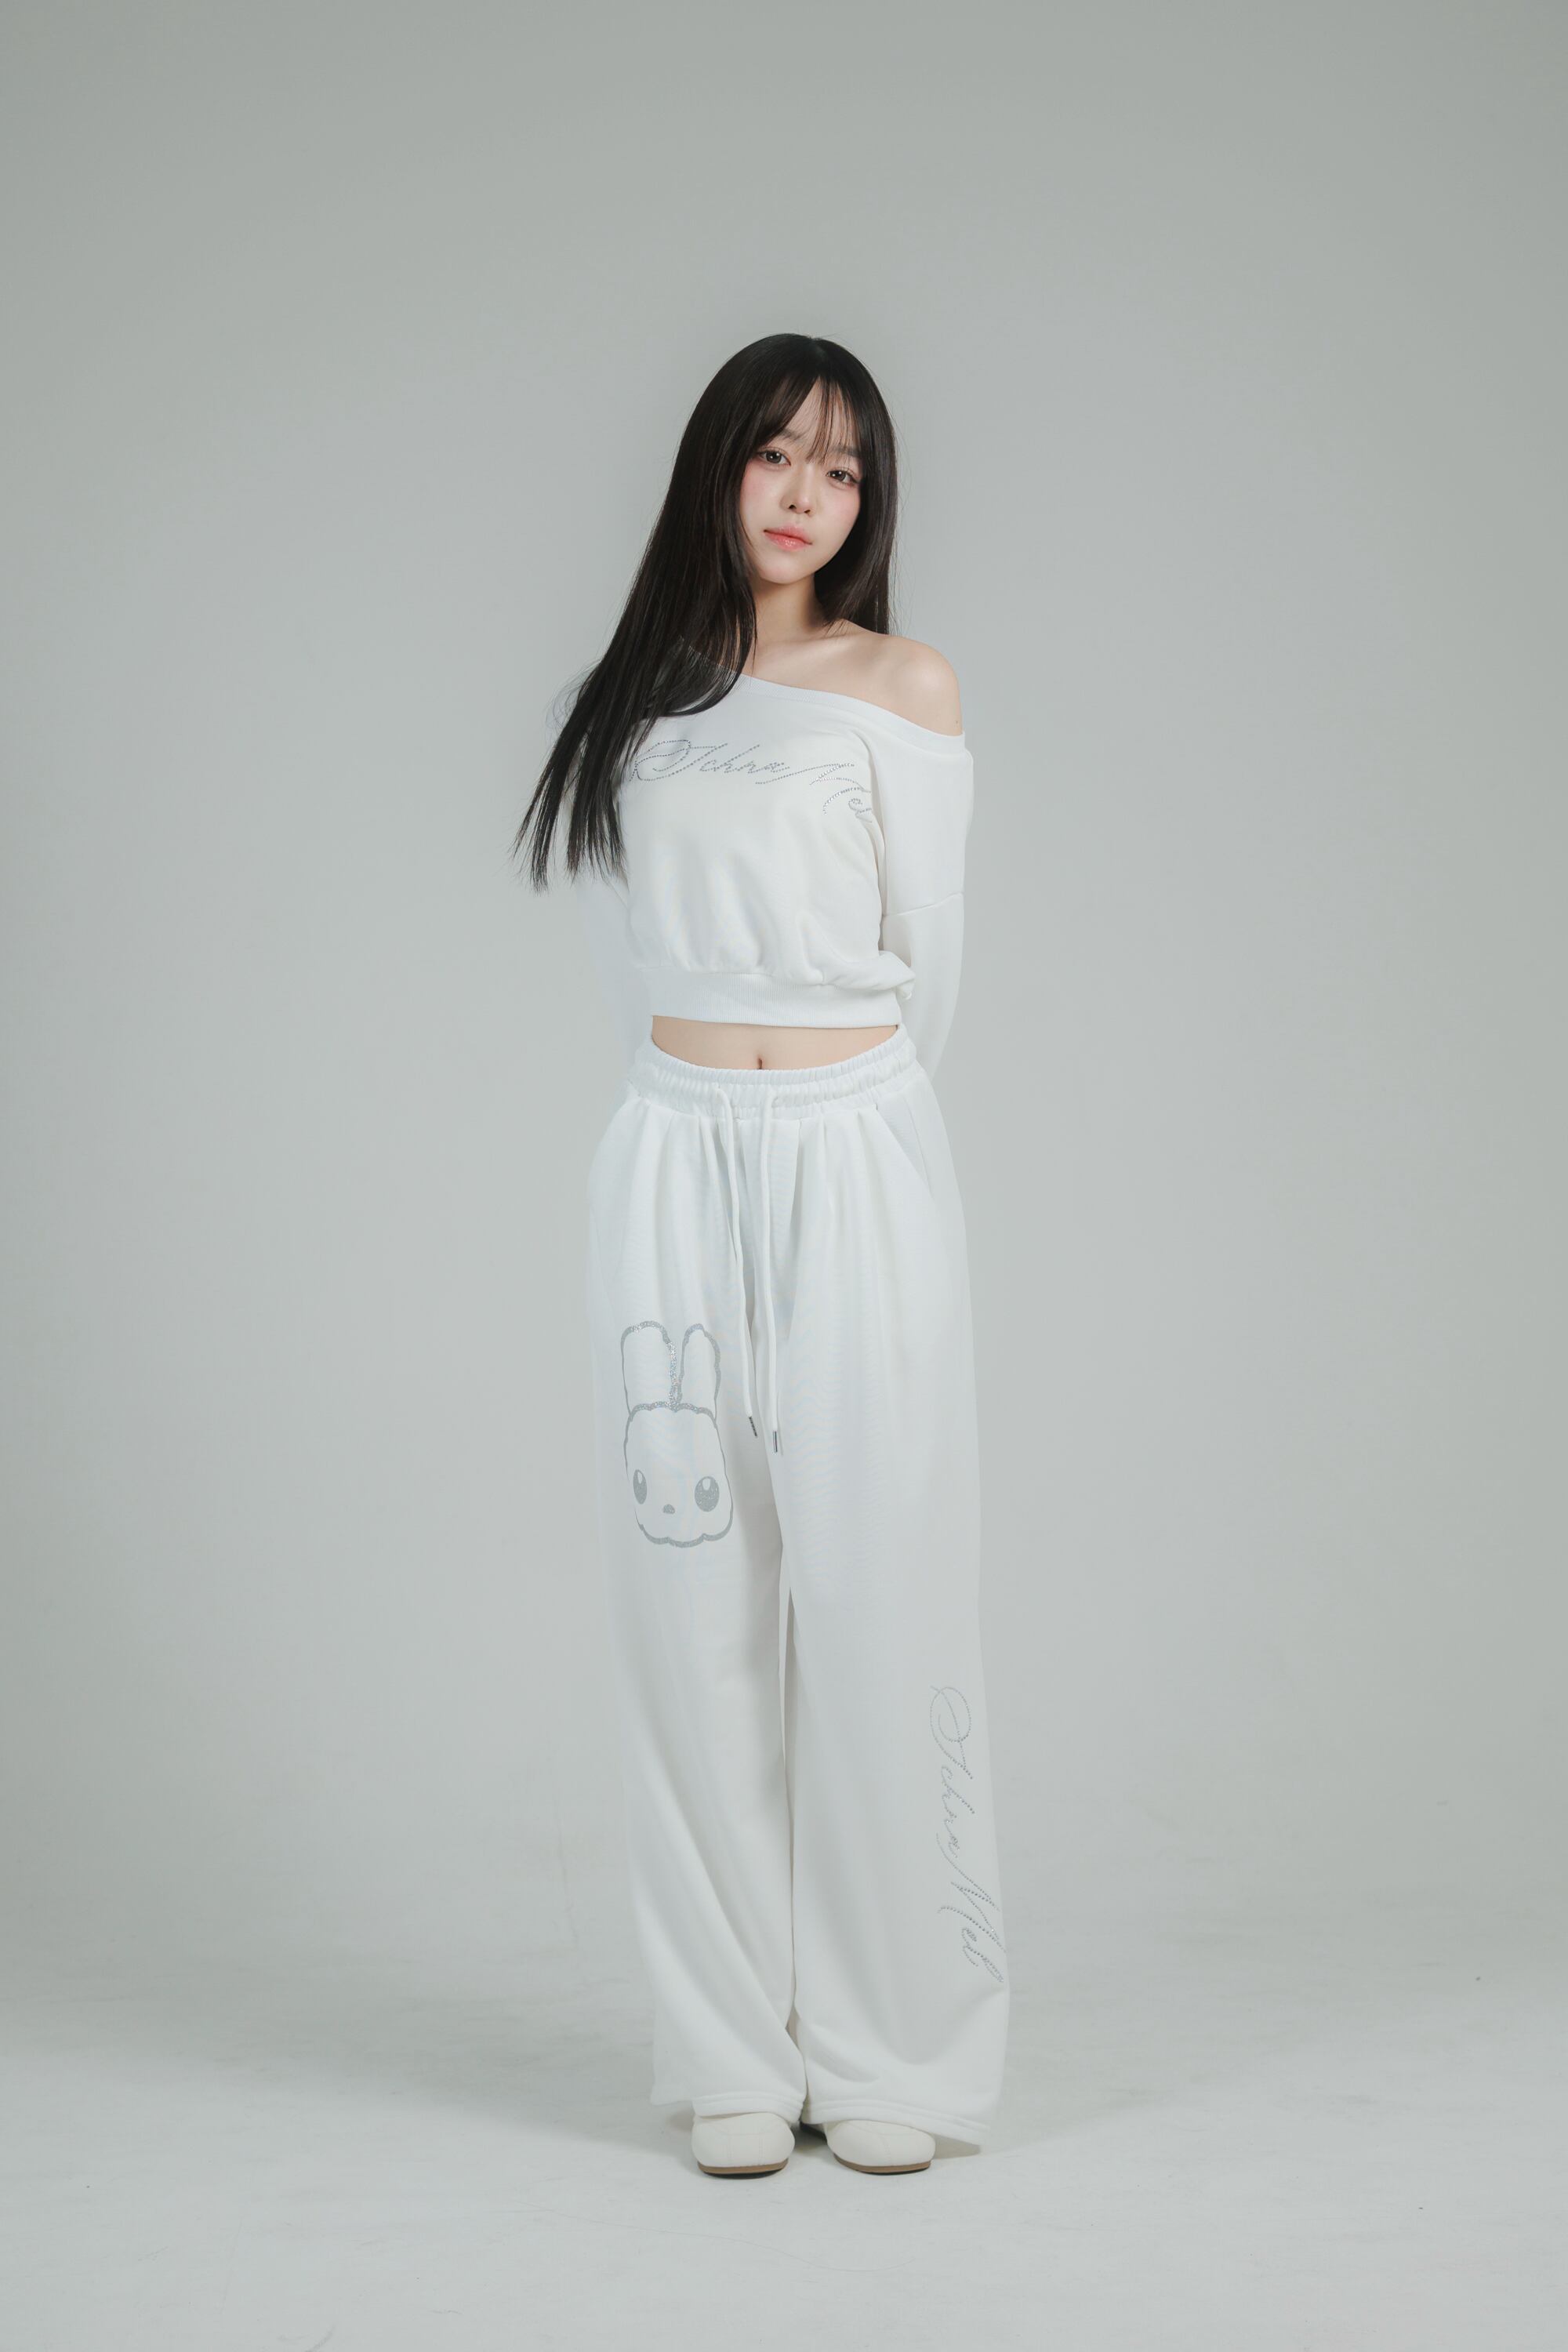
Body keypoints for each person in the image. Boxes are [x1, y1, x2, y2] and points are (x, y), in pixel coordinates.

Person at [514, 333, 1008, 2177]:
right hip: (666, 1156)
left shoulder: (901, 686)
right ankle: (729, 2045)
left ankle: (896, 2051)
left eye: (843, 469)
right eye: (776, 454)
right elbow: (622, 964)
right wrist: (703, 1108)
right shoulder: (630, 705)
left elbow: (925, 962)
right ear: (714, 467)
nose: (806, 494)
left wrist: (828, 1113)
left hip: (853, 1153)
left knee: (881, 1589)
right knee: (687, 1603)